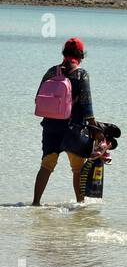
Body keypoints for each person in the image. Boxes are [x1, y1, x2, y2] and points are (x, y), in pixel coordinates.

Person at [33, 37, 97, 205]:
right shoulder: (81, 74)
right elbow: (86, 105)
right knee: (78, 170)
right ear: (81, 55)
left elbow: (37, 99)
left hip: (50, 127)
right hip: (73, 129)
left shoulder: (52, 72)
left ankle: (35, 203)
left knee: (46, 166)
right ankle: (80, 205)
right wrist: (95, 128)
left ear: (64, 53)